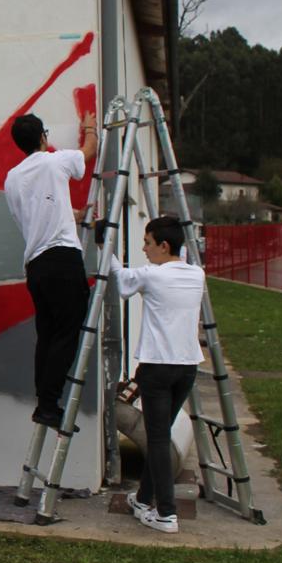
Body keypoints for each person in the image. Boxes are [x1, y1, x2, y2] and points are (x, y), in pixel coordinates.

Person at [105, 217, 206, 534]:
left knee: (158, 440)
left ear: (164, 246)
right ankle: (144, 497)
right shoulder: (197, 275)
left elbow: (120, 282)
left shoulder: (153, 276)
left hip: (157, 369)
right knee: (160, 438)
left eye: (147, 242)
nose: (143, 248)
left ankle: (165, 514)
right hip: (187, 368)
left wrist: (103, 245)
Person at [4, 112, 97, 429]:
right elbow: (89, 151)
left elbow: (38, 211)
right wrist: (89, 127)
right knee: (68, 330)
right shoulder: (53, 161)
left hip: (36, 265)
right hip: (62, 258)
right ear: (43, 137)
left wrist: (74, 214)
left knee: (47, 334)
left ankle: (44, 401)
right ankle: (48, 404)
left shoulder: (13, 177)